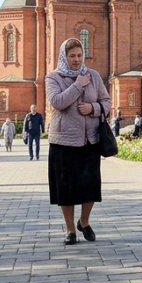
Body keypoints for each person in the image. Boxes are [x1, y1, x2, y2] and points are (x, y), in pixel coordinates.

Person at [46, 38, 110, 246]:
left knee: (90, 186)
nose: (76, 60)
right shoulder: (53, 77)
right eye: (72, 56)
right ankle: (70, 229)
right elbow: (57, 102)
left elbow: (106, 102)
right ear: (64, 56)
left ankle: (84, 221)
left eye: (79, 55)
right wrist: (77, 85)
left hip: (90, 140)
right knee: (66, 189)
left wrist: (94, 109)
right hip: (63, 142)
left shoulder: (93, 76)